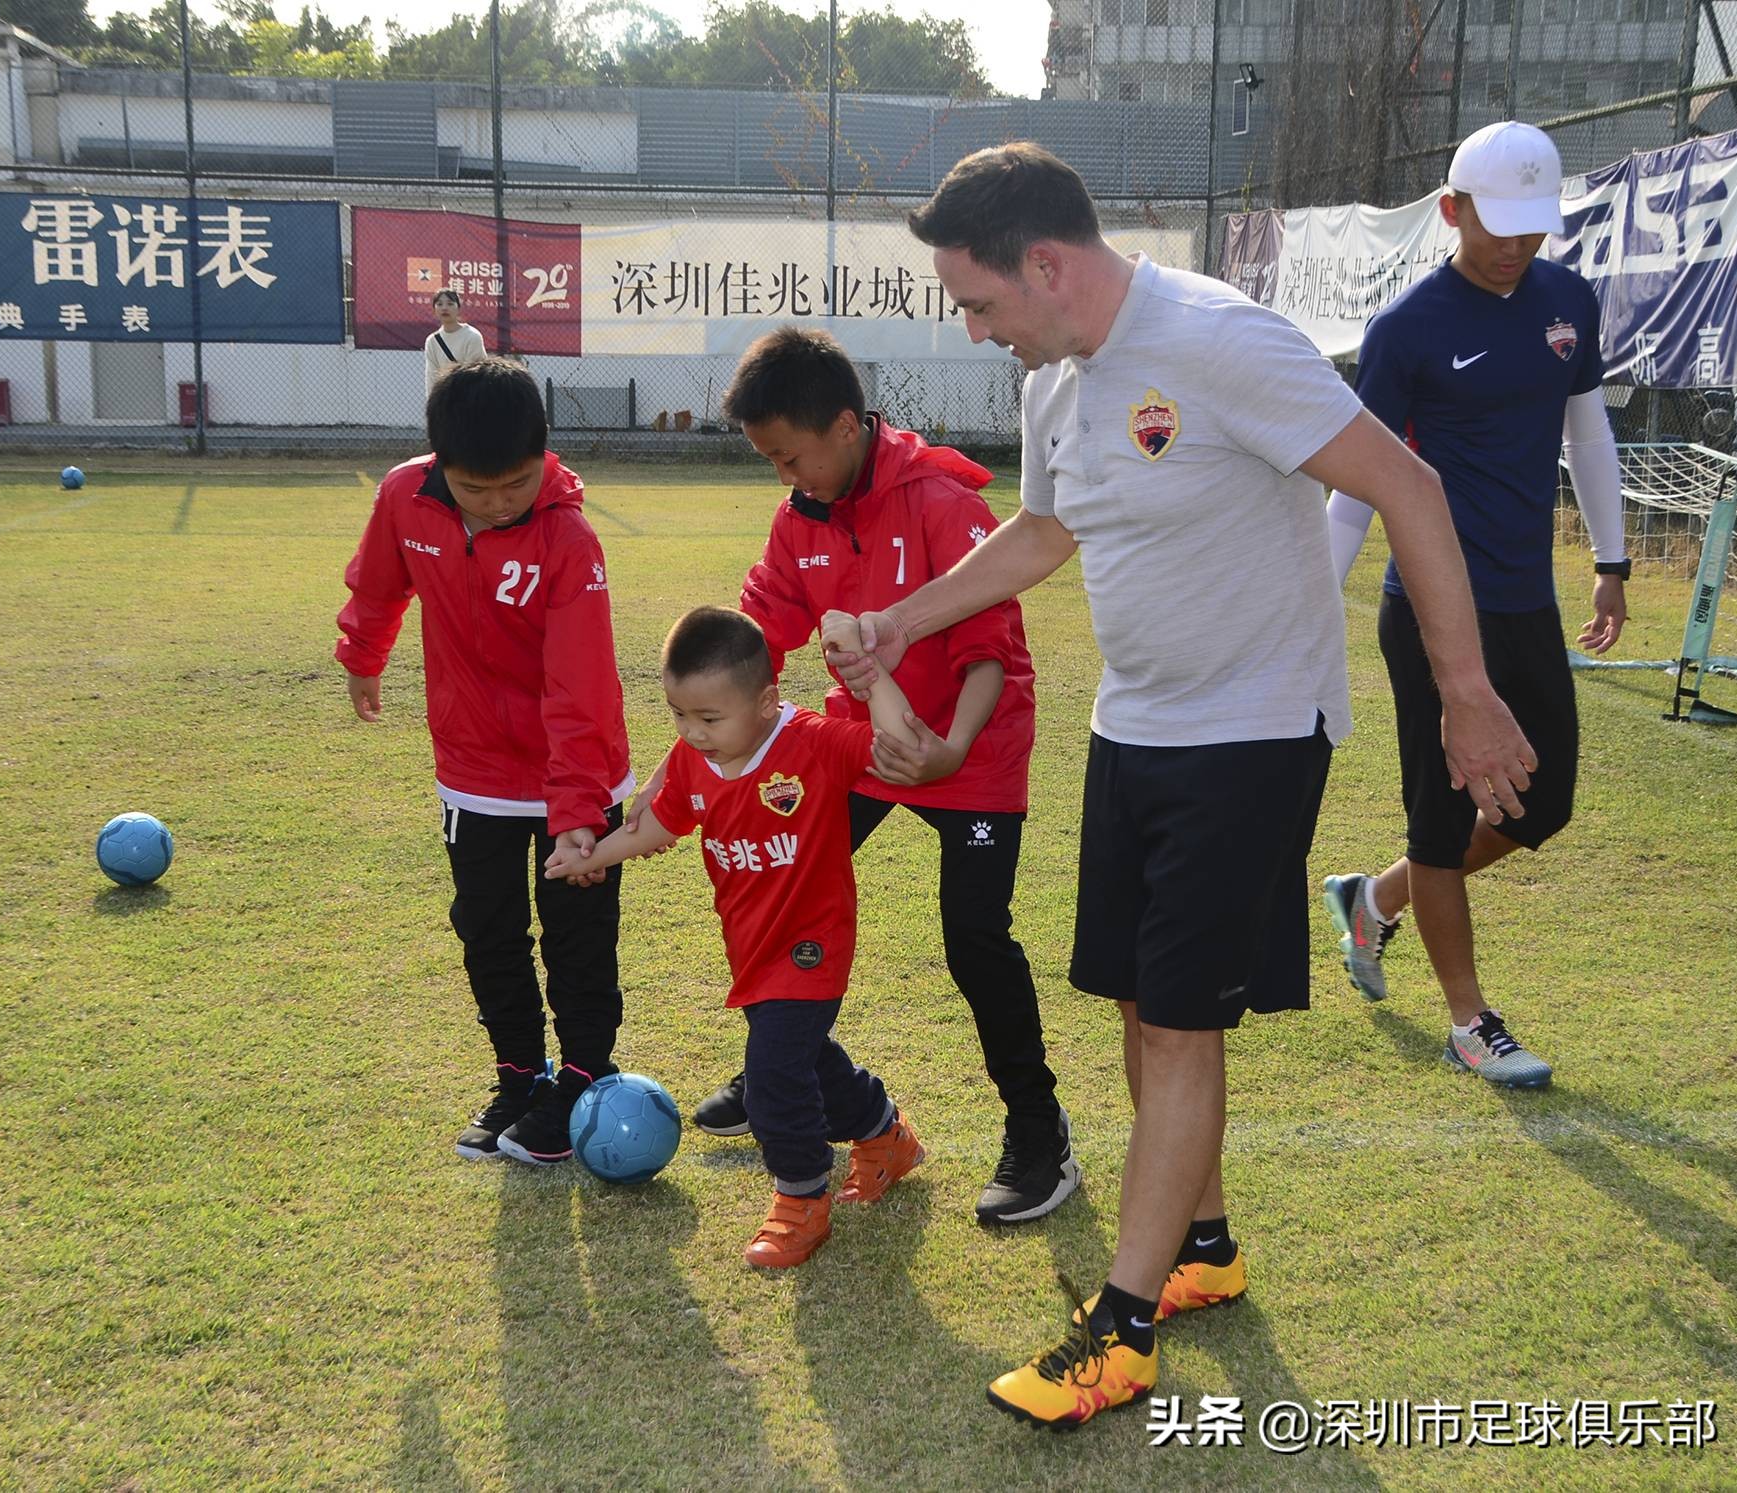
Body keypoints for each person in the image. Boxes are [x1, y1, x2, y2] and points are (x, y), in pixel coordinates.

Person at [827, 142, 1533, 1427]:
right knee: (1138, 995)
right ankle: (1200, 1244)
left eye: (978, 304)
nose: (977, 332)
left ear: (1043, 263)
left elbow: (1408, 487)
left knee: (1175, 1024)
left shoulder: (1220, 338)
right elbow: (1045, 531)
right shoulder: (1059, 379)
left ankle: (1122, 1328)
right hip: (1133, 727)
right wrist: (899, 619)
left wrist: (1466, 695)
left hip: (1253, 729)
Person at [655, 325, 1074, 1226]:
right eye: (769, 460)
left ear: (845, 427)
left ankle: (1041, 1135)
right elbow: (756, 633)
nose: (784, 477)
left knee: (974, 939)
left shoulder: (940, 501)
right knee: (777, 874)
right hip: (861, 746)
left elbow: (989, 650)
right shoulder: (799, 516)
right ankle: (783, 1062)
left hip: (970, 749)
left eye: (790, 456)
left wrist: (952, 747)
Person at [1323, 121, 1626, 1090]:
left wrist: (1611, 560)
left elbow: (1586, 436)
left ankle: (1372, 899)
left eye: (1532, 226)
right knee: (1438, 814)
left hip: (1524, 604)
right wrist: (1309, 606)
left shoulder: (1565, 302)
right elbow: (1354, 479)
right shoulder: (1406, 329)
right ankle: (1468, 1017)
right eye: (1497, 223)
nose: (1515, 244)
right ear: (1451, 210)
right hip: (1423, 608)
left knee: (1544, 802)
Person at [546, 606, 927, 1267]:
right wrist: (595, 855)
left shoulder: (810, 740)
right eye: (680, 716)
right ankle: (884, 1133)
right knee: (804, 1057)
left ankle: (801, 1197)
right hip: (751, 946)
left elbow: (899, 746)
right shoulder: (697, 761)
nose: (693, 733)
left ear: (766, 700)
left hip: (812, 942)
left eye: (710, 718)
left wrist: (870, 679)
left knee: (773, 1070)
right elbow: (659, 825)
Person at [336, 357, 633, 1165]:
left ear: (545, 455)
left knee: (578, 934)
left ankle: (581, 1080)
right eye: (479, 488)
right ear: (440, 468)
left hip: (577, 772)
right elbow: (379, 583)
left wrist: (577, 818)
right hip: (472, 769)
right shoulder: (404, 496)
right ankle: (517, 1078)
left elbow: (578, 690)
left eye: (519, 483)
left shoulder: (569, 539)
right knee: (489, 928)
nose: (502, 502)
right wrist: (363, 654)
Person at [423, 289, 487, 418]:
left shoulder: (472, 336)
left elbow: (475, 375)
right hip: (444, 405)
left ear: (458, 308)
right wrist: (434, 405)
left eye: (450, 303)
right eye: (439, 304)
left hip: (471, 405)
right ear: (434, 309)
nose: (444, 308)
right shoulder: (432, 341)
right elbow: (431, 376)